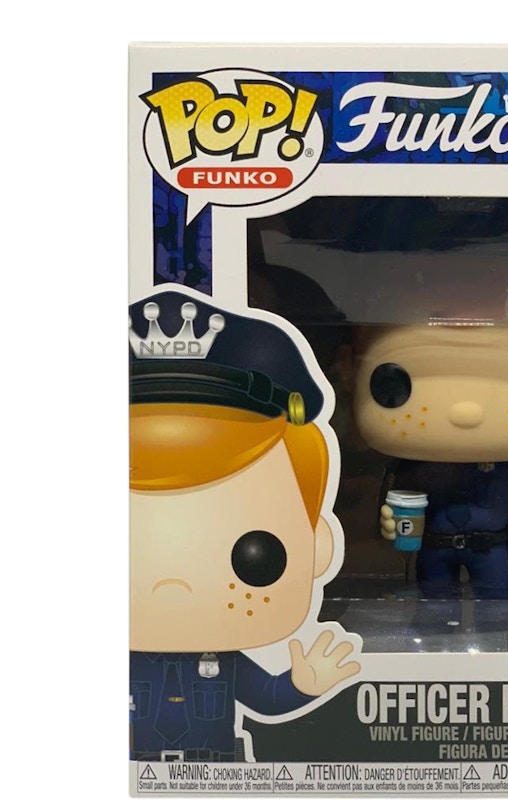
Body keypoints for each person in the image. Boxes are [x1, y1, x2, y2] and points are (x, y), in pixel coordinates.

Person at [129, 292, 359, 761]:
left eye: (254, 555)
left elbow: (266, 698)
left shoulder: (225, 660)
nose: (173, 587)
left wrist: (303, 684)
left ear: (317, 545)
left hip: (218, 775)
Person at [353, 323, 508, 601]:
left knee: (496, 603)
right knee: (434, 606)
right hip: (435, 547)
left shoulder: (504, 459)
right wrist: (391, 523)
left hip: (490, 548)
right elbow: (401, 496)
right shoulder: (418, 463)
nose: (467, 412)